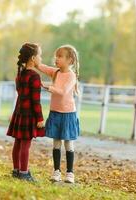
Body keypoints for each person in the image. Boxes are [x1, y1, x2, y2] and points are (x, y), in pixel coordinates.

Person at [36, 44, 80, 184]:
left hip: (67, 114)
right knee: (56, 143)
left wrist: (46, 86)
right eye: (56, 56)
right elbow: (42, 67)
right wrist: (36, 63)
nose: (56, 59)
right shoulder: (55, 72)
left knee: (68, 143)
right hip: (55, 112)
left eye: (60, 56)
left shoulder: (71, 76)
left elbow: (62, 91)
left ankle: (70, 173)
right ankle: (56, 171)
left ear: (70, 60)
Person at [6, 43, 45, 182]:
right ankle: (24, 173)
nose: (41, 58)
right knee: (25, 145)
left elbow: (21, 94)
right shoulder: (34, 76)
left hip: (19, 112)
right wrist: (40, 118)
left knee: (18, 142)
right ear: (33, 58)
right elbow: (36, 101)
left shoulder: (20, 74)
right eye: (40, 55)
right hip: (28, 114)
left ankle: (16, 170)